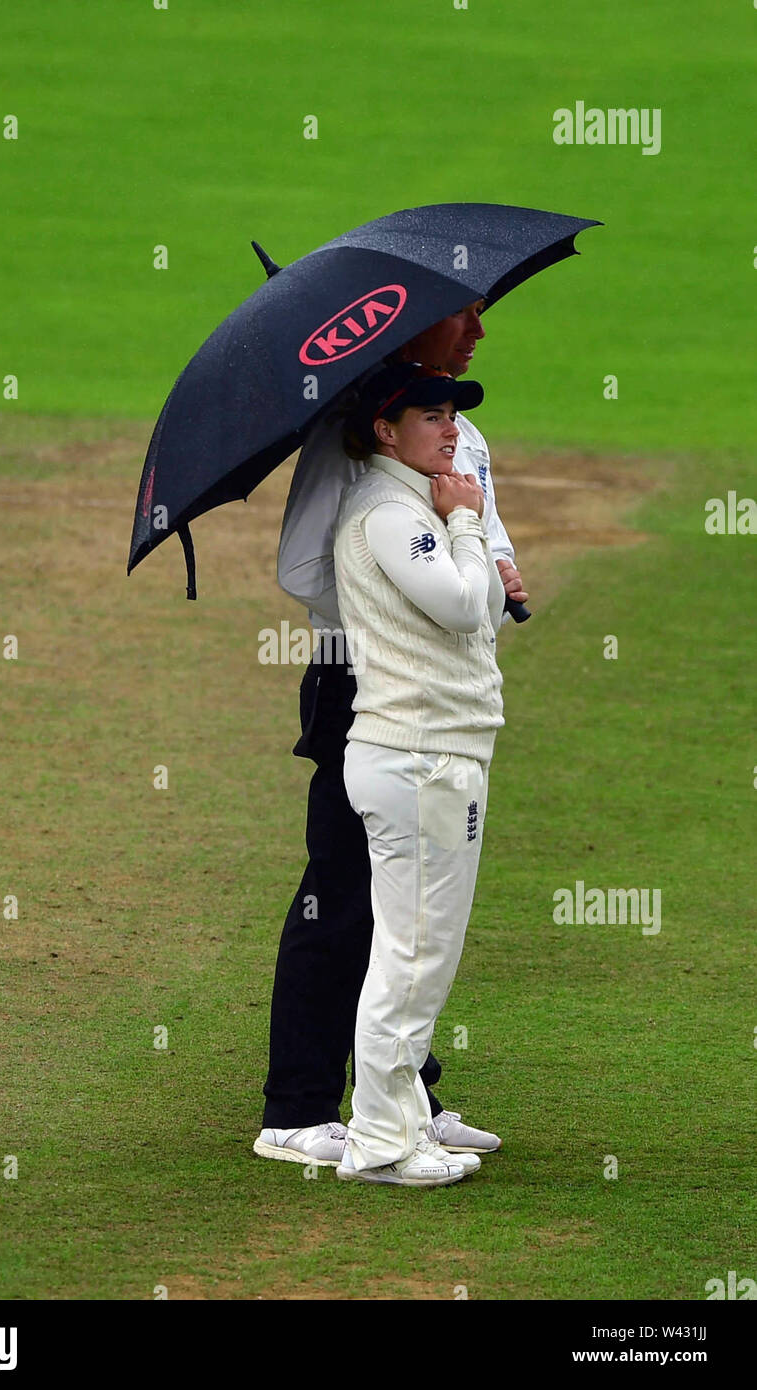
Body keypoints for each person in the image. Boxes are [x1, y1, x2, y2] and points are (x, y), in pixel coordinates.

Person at [254, 302, 527, 1169]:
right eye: (464, 320)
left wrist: (487, 556)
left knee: (411, 907)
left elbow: (474, 533)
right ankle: (297, 1108)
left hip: (441, 687)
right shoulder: (345, 438)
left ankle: (406, 1097)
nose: (479, 334)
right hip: (364, 684)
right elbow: (306, 564)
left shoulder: (456, 428)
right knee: (343, 891)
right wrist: (394, 607)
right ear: (406, 331)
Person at [332, 363, 505, 1185]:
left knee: (419, 954)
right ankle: (379, 1141)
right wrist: (468, 523)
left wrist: (465, 534)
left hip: (432, 754)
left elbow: (473, 608)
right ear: (384, 430)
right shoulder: (391, 511)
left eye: (451, 415)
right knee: (411, 955)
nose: (450, 430)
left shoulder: (410, 506)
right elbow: (462, 606)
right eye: (430, 416)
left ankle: (401, 1127)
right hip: (418, 758)